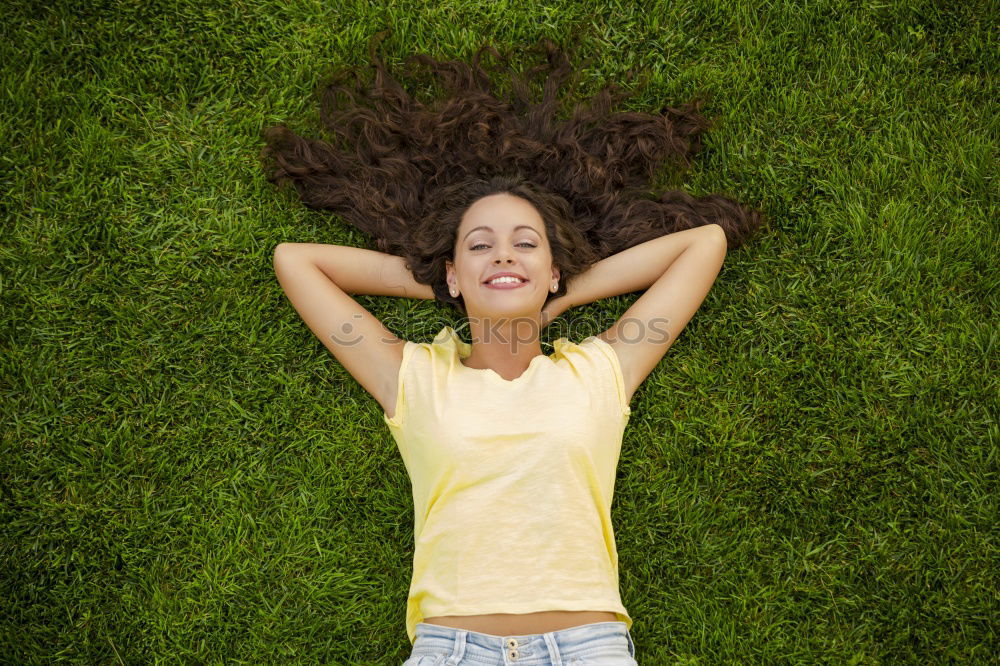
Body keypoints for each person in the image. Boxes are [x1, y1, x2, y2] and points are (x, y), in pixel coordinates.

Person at [263, 32, 763, 665]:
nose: (503, 253)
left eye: (526, 244)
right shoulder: (411, 379)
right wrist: (451, 286)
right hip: (452, 650)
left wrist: (559, 293)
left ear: (555, 269)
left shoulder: (602, 371)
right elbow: (297, 261)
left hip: (592, 651)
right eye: (479, 245)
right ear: (451, 270)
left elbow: (704, 244)